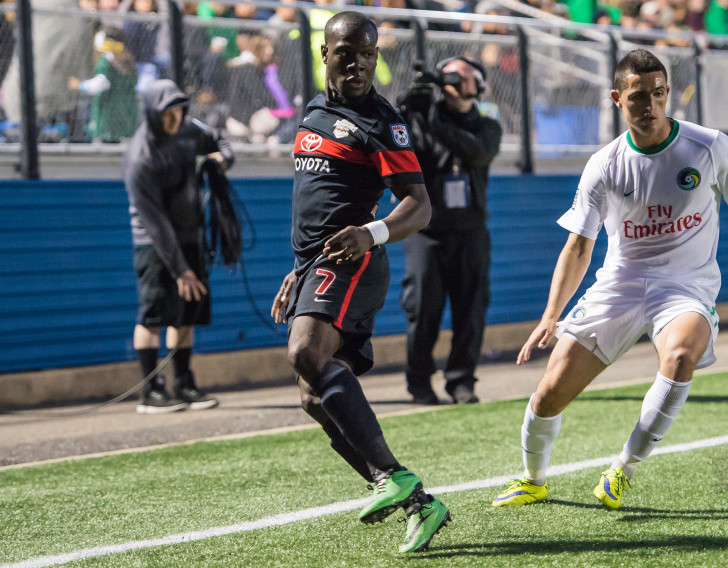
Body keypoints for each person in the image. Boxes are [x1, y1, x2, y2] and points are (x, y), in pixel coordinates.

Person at [492, 49, 728, 510]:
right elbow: (579, 246)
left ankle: (623, 468)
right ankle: (533, 479)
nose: (651, 105)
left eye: (659, 94)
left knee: (681, 354)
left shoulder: (708, 146)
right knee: (547, 394)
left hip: (685, 289)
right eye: (639, 96)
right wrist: (550, 315)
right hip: (618, 286)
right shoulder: (603, 165)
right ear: (617, 98)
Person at [268, 11, 450, 553]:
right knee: (312, 397)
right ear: (325, 53)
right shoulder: (313, 111)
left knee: (304, 352)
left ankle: (391, 478)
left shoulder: (382, 121)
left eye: (368, 55)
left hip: (355, 261)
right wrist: (296, 273)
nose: (358, 64)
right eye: (347, 53)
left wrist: (370, 234)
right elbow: (317, 206)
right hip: (316, 266)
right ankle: (417, 500)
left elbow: (419, 207)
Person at [395, 56, 502, 405]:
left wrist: (433, 120)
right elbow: (397, 144)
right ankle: (419, 381)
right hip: (426, 231)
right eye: (451, 79)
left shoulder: (486, 126)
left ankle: (460, 381)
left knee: (470, 310)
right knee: (422, 308)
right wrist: (408, 108)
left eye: (465, 79)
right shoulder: (421, 119)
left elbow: (477, 151)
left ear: (479, 85)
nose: (456, 85)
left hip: (471, 231)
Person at [124, 79, 233, 414]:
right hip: (154, 245)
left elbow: (220, 142)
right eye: (167, 114)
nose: (175, 120)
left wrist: (221, 160)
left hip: (190, 237)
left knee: (186, 314)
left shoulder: (188, 130)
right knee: (153, 315)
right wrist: (180, 269)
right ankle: (150, 391)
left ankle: (183, 383)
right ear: (153, 113)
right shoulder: (140, 157)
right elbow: (155, 224)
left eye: (178, 111)